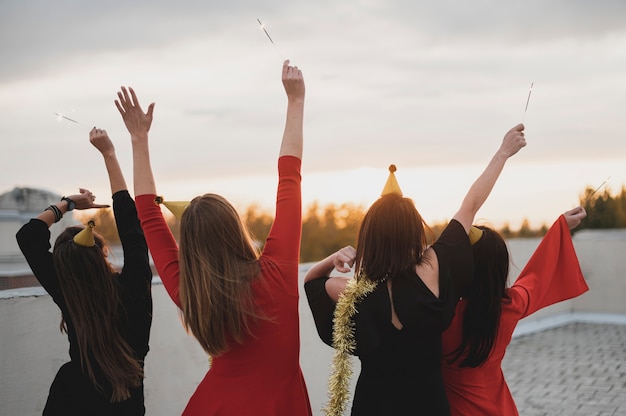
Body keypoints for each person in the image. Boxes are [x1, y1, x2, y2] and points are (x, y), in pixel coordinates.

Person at [115, 60, 311, 415]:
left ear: (189, 248)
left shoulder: (191, 293)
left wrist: (138, 139)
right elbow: (289, 180)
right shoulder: (277, 274)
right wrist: (295, 102)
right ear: (235, 229)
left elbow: (148, 216)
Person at [304, 124, 527, 415]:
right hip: (428, 404)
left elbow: (312, 281)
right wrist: (503, 153)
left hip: (374, 405)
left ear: (370, 237)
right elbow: (470, 205)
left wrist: (335, 257)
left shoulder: (348, 291)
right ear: (414, 232)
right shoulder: (433, 268)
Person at [16, 128, 153, 415]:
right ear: (102, 253)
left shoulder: (66, 291)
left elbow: (29, 236)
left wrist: (65, 204)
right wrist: (109, 154)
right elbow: (131, 225)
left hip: (69, 401)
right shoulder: (134, 287)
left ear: (63, 268)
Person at [441, 206, 589, 415]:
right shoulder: (509, 306)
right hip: (501, 409)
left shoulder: (443, 316)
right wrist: (561, 226)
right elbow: (537, 277)